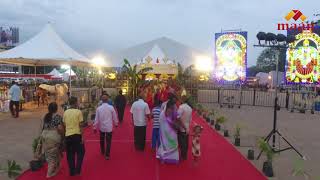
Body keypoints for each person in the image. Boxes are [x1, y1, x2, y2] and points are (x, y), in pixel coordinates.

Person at [63, 97, 85, 176]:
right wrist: (82, 137)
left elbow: (64, 125)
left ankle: (72, 171)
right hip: (77, 135)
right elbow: (81, 125)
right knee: (81, 152)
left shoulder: (65, 112)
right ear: (75, 102)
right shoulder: (78, 112)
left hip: (68, 135)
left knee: (70, 154)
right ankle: (77, 170)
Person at [41, 102, 64, 178]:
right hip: (53, 138)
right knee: (52, 158)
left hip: (45, 137)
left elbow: (43, 127)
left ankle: (57, 166)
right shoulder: (57, 117)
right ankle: (49, 174)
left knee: (51, 154)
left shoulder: (45, 116)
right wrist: (62, 135)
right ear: (56, 109)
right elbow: (60, 128)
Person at [93, 94, 118, 160]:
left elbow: (96, 119)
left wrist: (95, 127)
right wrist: (116, 123)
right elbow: (114, 116)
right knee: (108, 141)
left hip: (101, 127)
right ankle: (107, 155)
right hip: (109, 127)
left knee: (102, 140)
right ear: (107, 100)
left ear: (101, 100)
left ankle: (102, 151)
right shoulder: (111, 107)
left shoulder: (98, 108)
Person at [177, 95, 192, 160]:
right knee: (186, 142)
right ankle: (184, 155)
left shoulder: (181, 107)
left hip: (181, 126)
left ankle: (183, 155)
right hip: (187, 126)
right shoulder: (189, 108)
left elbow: (178, 117)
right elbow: (190, 119)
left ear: (182, 100)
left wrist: (181, 125)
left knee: (181, 142)